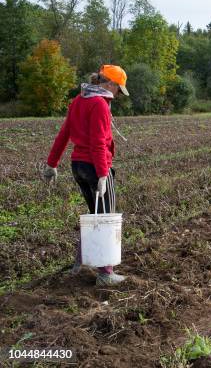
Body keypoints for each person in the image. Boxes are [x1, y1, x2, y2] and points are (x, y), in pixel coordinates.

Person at [42, 65, 129, 286]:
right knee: (105, 217)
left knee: (94, 215)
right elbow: (98, 143)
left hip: (78, 166)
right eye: (118, 89)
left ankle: (79, 265)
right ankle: (105, 273)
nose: (118, 94)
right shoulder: (99, 104)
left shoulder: (79, 100)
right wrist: (102, 174)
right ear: (110, 84)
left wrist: (52, 164)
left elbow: (64, 133)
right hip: (94, 167)